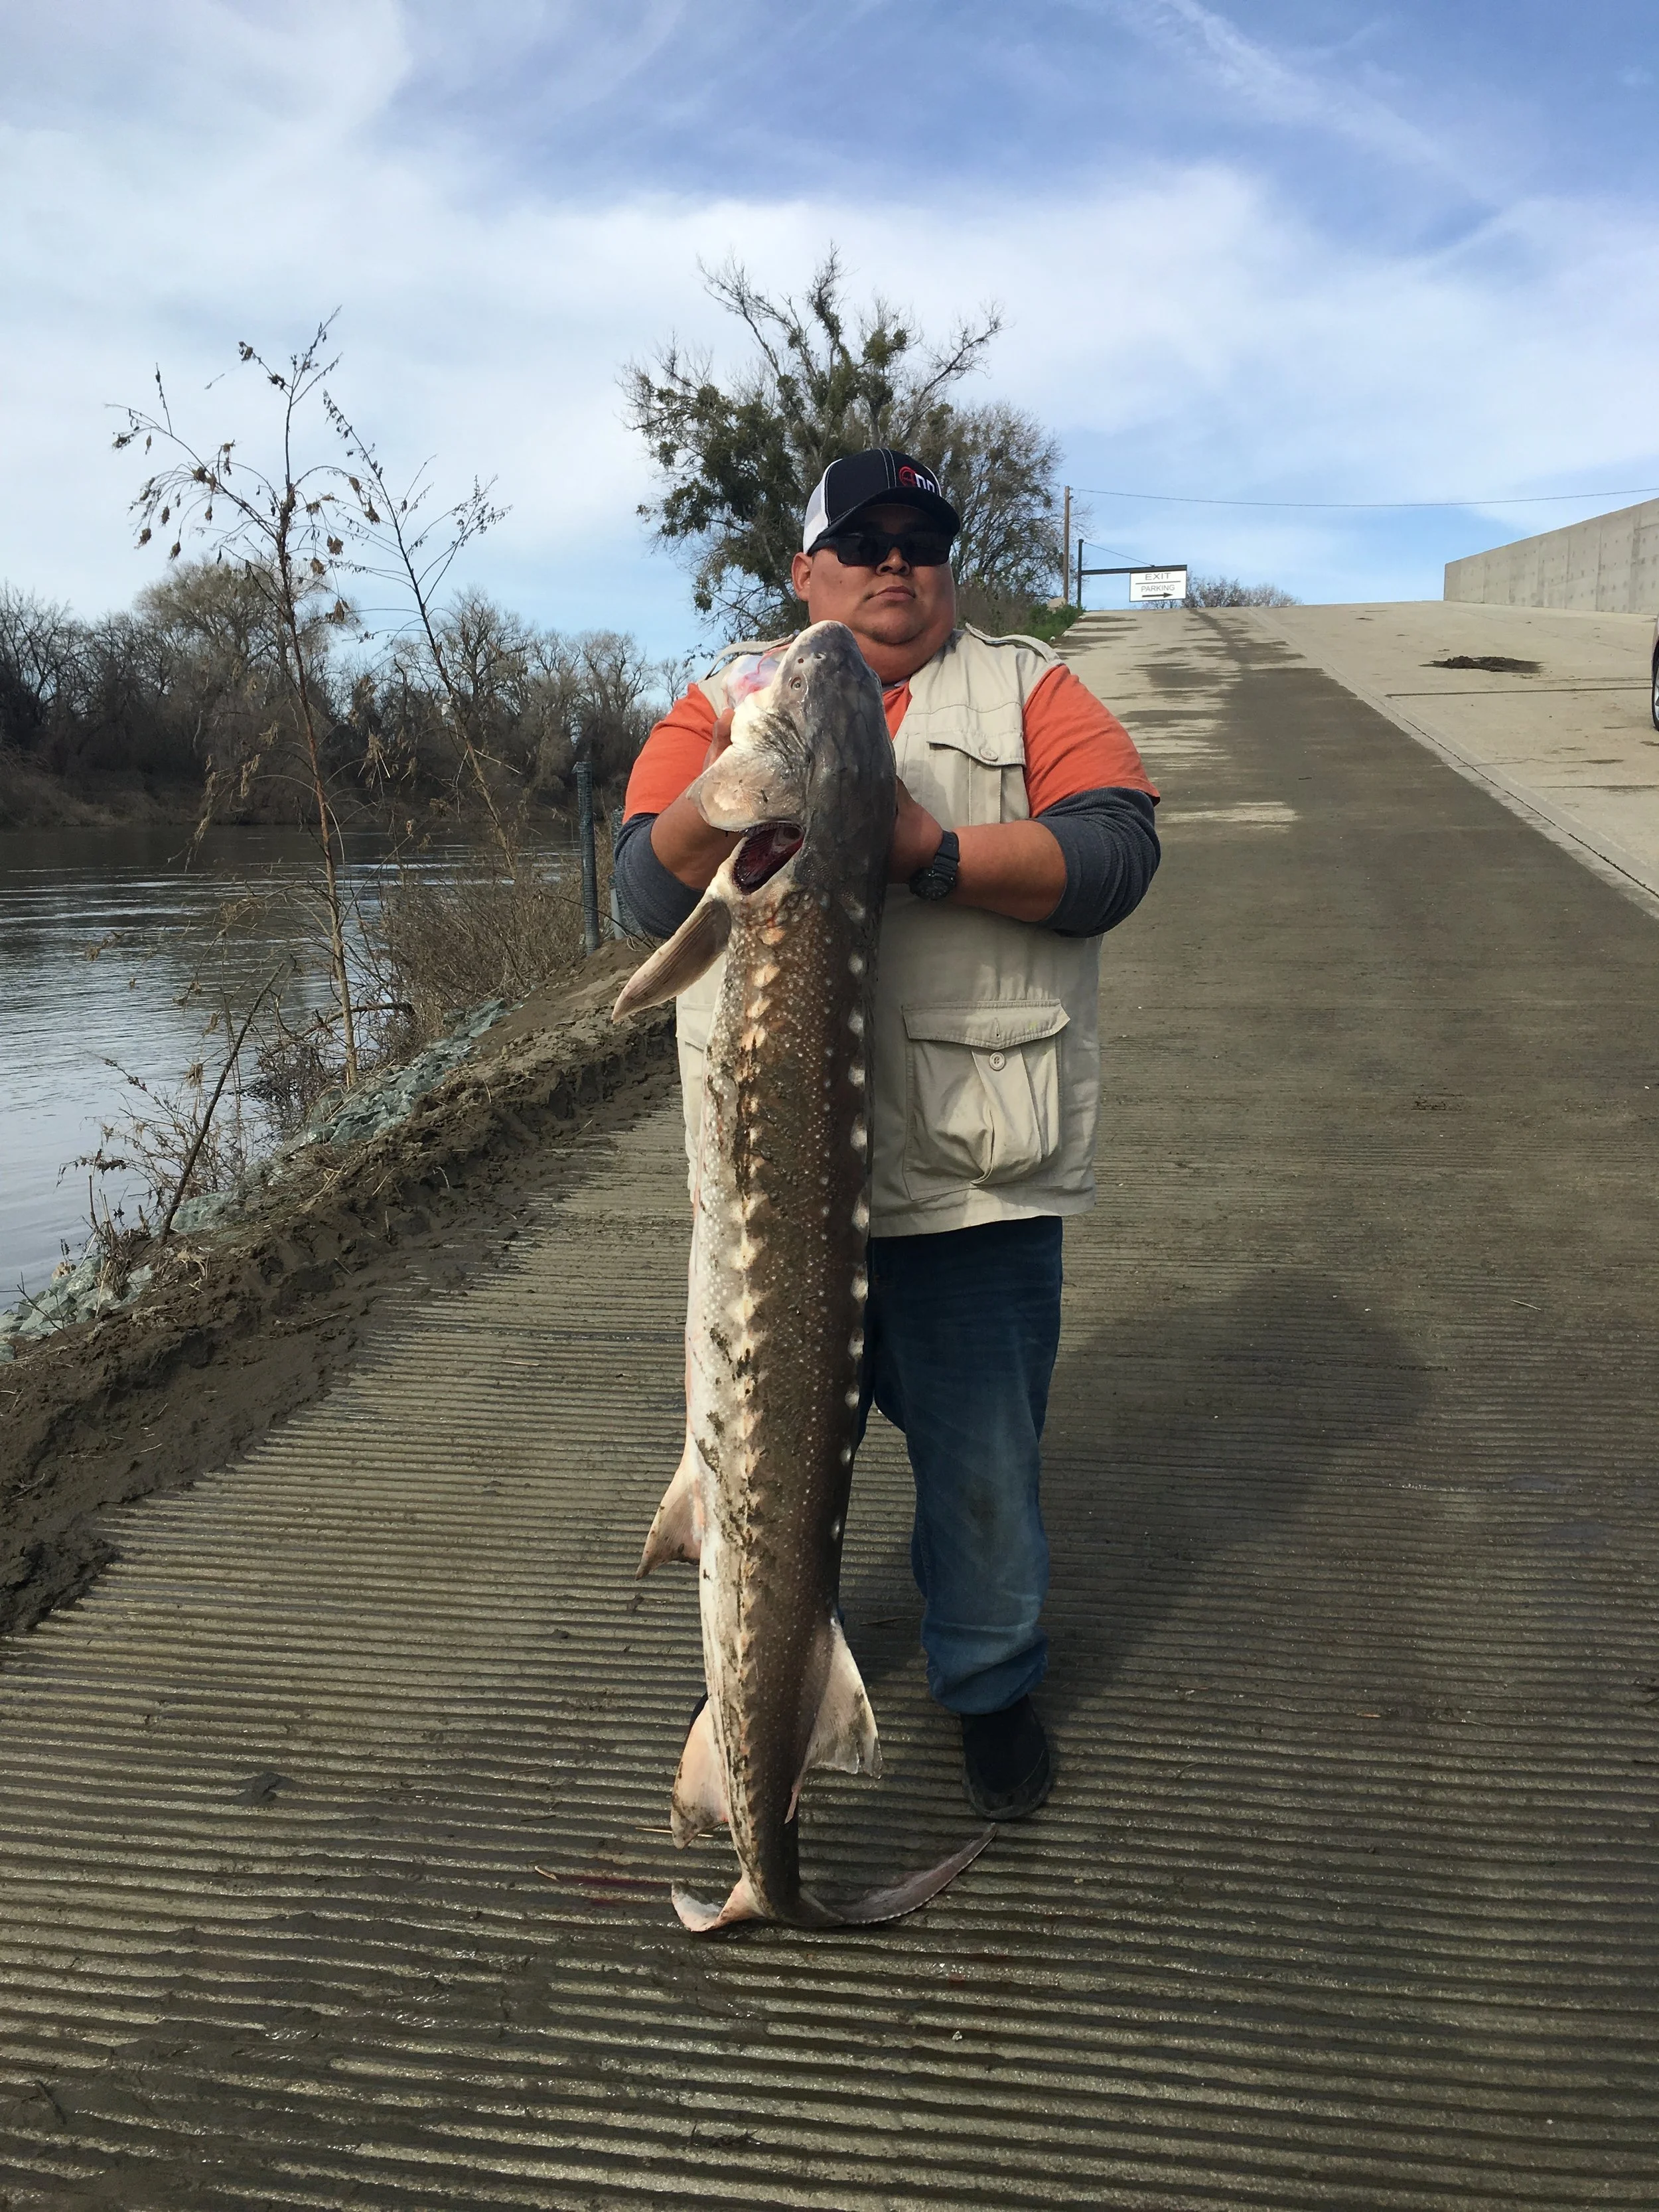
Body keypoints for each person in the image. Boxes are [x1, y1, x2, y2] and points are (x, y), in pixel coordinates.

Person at [615, 449, 1159, 1821]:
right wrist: (728, 800)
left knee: (983, 1479)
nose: (893, 563)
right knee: (752, 1464)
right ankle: (755, 1678)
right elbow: (637, 884)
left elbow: (1113, 859)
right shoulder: (732, 693)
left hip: (973, 1185)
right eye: (861, 541)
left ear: (948, 566)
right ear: (806, 572)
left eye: (920, 540)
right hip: (769, 1206)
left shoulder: (1033, 687)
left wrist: (923, 848)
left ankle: (986, 1690)